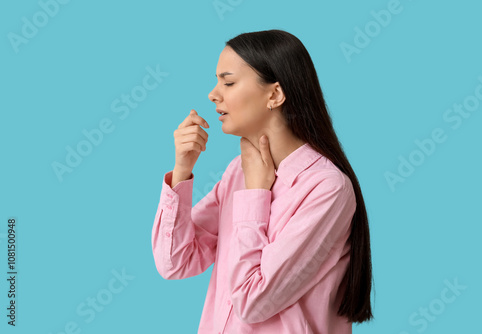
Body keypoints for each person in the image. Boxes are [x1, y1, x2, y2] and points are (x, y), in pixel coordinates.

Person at [151, 29, 373, 333]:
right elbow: (175, 262)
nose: (213, 94)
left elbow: (253, 301)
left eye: (228, 82)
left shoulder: (327, 189)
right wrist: (181, 171)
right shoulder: (237, 173)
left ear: (275, 95)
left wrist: (256, 194)